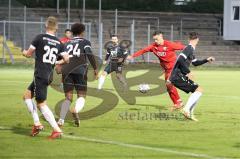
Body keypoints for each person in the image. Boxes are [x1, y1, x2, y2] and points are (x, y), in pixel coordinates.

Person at [22, 16, 69, 139]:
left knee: (41, 104)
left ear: (46, 25)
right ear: (57, 27)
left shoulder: (40, 37)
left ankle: (56, 129)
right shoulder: (60, 43)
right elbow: (67, 59)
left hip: (40, 74)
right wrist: (56, 62)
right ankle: (37, 123)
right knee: (27, 96)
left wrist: (24, 52)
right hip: (49, 75)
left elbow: (28, 54)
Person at [128, 31, 185, 110]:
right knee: (168, 87)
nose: (155, 41)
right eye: (154, 40)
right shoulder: (153, 46)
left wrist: (186, 58)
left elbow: (184, 48)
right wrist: (132, 56)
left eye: (156, 39)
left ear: (161, 37)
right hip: (166, 69)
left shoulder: (169, 44)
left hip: (174, 68)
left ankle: (179, 102)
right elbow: (143, 50)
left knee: (169, 83)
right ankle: (176, 103)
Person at [57, 23, 98, 127]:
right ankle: (75, 110)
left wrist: (58, 66)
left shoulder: (66, 43)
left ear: (72, 32)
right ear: (82, 32)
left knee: (68, 97)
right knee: (82, 96)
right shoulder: (85, 42)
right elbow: (89, 54)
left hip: (66, 70)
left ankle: (61, 119)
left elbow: (59, 56)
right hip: (80, 70)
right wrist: (95, 68)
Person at [169, 32, 215, 121]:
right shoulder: (189, 48)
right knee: (198, 90)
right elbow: (180, 60)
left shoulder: (191, 49)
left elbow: (195, 63)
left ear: (189, 39)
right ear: (197, 40)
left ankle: (189, 113)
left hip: (178, 75)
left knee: (198, 90)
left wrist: (206, 60)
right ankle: (186, 110)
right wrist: (188, 72)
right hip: (178, 76)